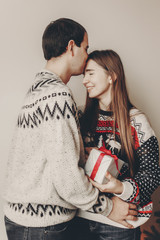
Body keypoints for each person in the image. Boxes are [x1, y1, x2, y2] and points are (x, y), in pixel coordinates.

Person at [3, 20, 137, 240]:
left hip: (22, 218)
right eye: (85, 48)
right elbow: (68, 178)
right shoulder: (57, 96)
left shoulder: (37, 89)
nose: (86, 56)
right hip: (42, 225)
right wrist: (109, 207)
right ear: (71, 46)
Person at [73, 49, 160, 240]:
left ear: (111, 76)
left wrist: (120, 187)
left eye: (90, 73)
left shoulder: (137, 121)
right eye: (84, 74)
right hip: (81, 219)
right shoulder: (79, 117)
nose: (84, 80)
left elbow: (152, 173)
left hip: (119, 224)